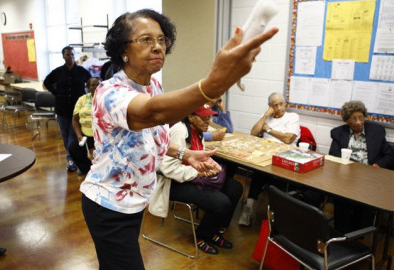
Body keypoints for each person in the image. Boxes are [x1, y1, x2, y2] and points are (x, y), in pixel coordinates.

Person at [79, 9, 278, 270]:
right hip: (108, 205)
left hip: (133, 202)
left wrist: (185, 154)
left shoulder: (152, 86)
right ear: (122, 50)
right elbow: (154, 113)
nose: (157, 47)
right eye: (146, 40)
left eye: (161, 40)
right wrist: (214, 83)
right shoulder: (110, 92)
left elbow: (151, 137)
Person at [151, 105, 242, 255]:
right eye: (204, 117)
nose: (208, 121)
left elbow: (200, 157)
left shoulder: (198, 131)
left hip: (192, 178)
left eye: (209, 117)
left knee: (235, 188)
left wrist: (207, 166)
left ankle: (214, 230)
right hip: (175, 183)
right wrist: (197, 173)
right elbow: (168, 169)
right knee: (221, 202)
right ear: (191, 117)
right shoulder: (180, 131)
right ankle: (201, 236)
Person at [329, 100, 394, 233]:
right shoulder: (338, 133)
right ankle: (342, 232)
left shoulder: (377, 132)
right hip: (346, 177)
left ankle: (360, 232)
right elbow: (333, 155)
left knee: (366, 198)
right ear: (347, 121)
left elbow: (389, 155)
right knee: (340, 196)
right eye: (354, 119)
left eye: (361, 117)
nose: (359, 122)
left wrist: (377, 165)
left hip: (370, 177)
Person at [238, 92, 300, 226]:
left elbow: (288, 139)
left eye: (281, 104)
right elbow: (253, 133)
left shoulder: (292, 117)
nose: (279, 108)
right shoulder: (266, 117)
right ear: (270, 106)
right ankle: (248, 209)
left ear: (285, 104)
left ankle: (276, 216)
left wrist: (269, 129)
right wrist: (265, 116)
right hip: (265, 156)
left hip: (285, 157)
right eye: (275, 105)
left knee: (273, 179)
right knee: (258, 174)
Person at [43, 46, 91, 171]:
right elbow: (47, 82)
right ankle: (70, 158)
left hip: (78, 110)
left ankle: (75, 159)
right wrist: (56, 92)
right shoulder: (58, 71)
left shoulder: (81, 71)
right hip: (62, 108)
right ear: (63, 56)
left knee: (75, 135)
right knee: (66, 135)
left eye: (73, 55)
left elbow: (91, 82)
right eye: (68, 55)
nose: (71, 57)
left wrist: (87, 96)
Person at [68, 77, 99, 175]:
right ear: (88, 87)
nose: (96, 87)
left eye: (98, 84)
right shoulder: (82, 99)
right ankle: (87, 170)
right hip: (85, 134)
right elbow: (75, 119)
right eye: (93, 85)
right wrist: (78, 134)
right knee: (73, 148)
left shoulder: (105, 98)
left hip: (101, 135)